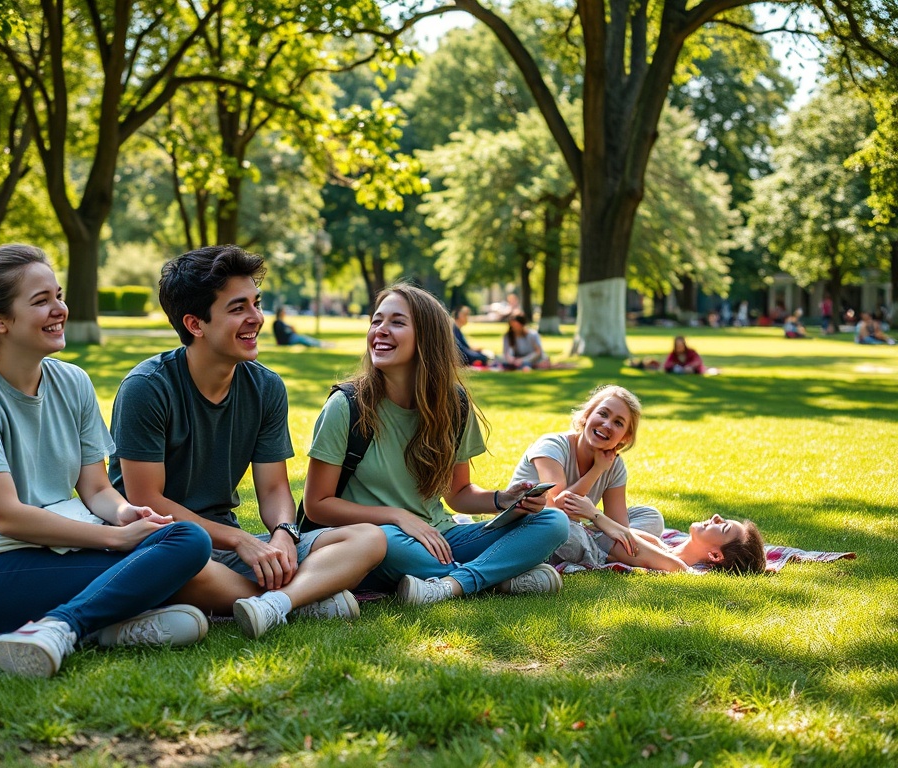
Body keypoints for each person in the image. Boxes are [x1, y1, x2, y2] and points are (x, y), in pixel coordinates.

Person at [0, 244, 230, 678]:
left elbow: (97, 489)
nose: (60, 309)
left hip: (54, 548)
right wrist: (118, 541)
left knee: (186, 540)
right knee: (163, 565)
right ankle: (64, 628)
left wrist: (128, 515)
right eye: (41, 301)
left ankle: (93, 629)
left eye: (59, 295)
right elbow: (8, 517)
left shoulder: (73, 382)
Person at [108, 245, 387, 640]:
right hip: (165, 543)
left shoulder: (265, 386)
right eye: (238, 308)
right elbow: (147, 501)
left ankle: (276, 602)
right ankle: (305, 595)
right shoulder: (147, 389)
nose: (256, 318)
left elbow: (274, 487)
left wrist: (283, 534)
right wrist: (241, 540)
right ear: (195, 324)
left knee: (368, 538)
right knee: (176, 566)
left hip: (229, 544)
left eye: (255, 303)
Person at [302, 283, 569, 607]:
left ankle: (454, 583)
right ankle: (494, 579)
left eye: (397, 322)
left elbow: (458, 494)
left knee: (553, 522)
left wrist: (504, 499)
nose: (380, 331)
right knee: (387, 540)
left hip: (439, 538)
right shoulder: (348, 405)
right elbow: (317, 504)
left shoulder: (453, 405)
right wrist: (397, 517)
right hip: (373, 541)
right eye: (376, 321)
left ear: (427, 339)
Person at [507, 385, 663, 561]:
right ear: (587, 415)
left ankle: (598, 547)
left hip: (577, 526)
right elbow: (557, 507)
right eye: (603, 414)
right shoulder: (551, 446)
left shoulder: (615, 465)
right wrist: (597, 470)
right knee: (568, 531)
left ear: (625, 437)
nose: (606, 424)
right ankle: (605, 551)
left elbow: (619, 526)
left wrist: (598, 519)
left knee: (651, 517)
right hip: (533, 529)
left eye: (618, 423)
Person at [556, 499, 766, 574]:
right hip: (596, 533)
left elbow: (616, 538)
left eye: (723, 527)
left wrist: (595, 514)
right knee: (652, 517)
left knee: (560, 524)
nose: (717, 517)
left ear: (715, 555)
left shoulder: (674, 565)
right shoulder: (664, 547)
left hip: (585, 545)